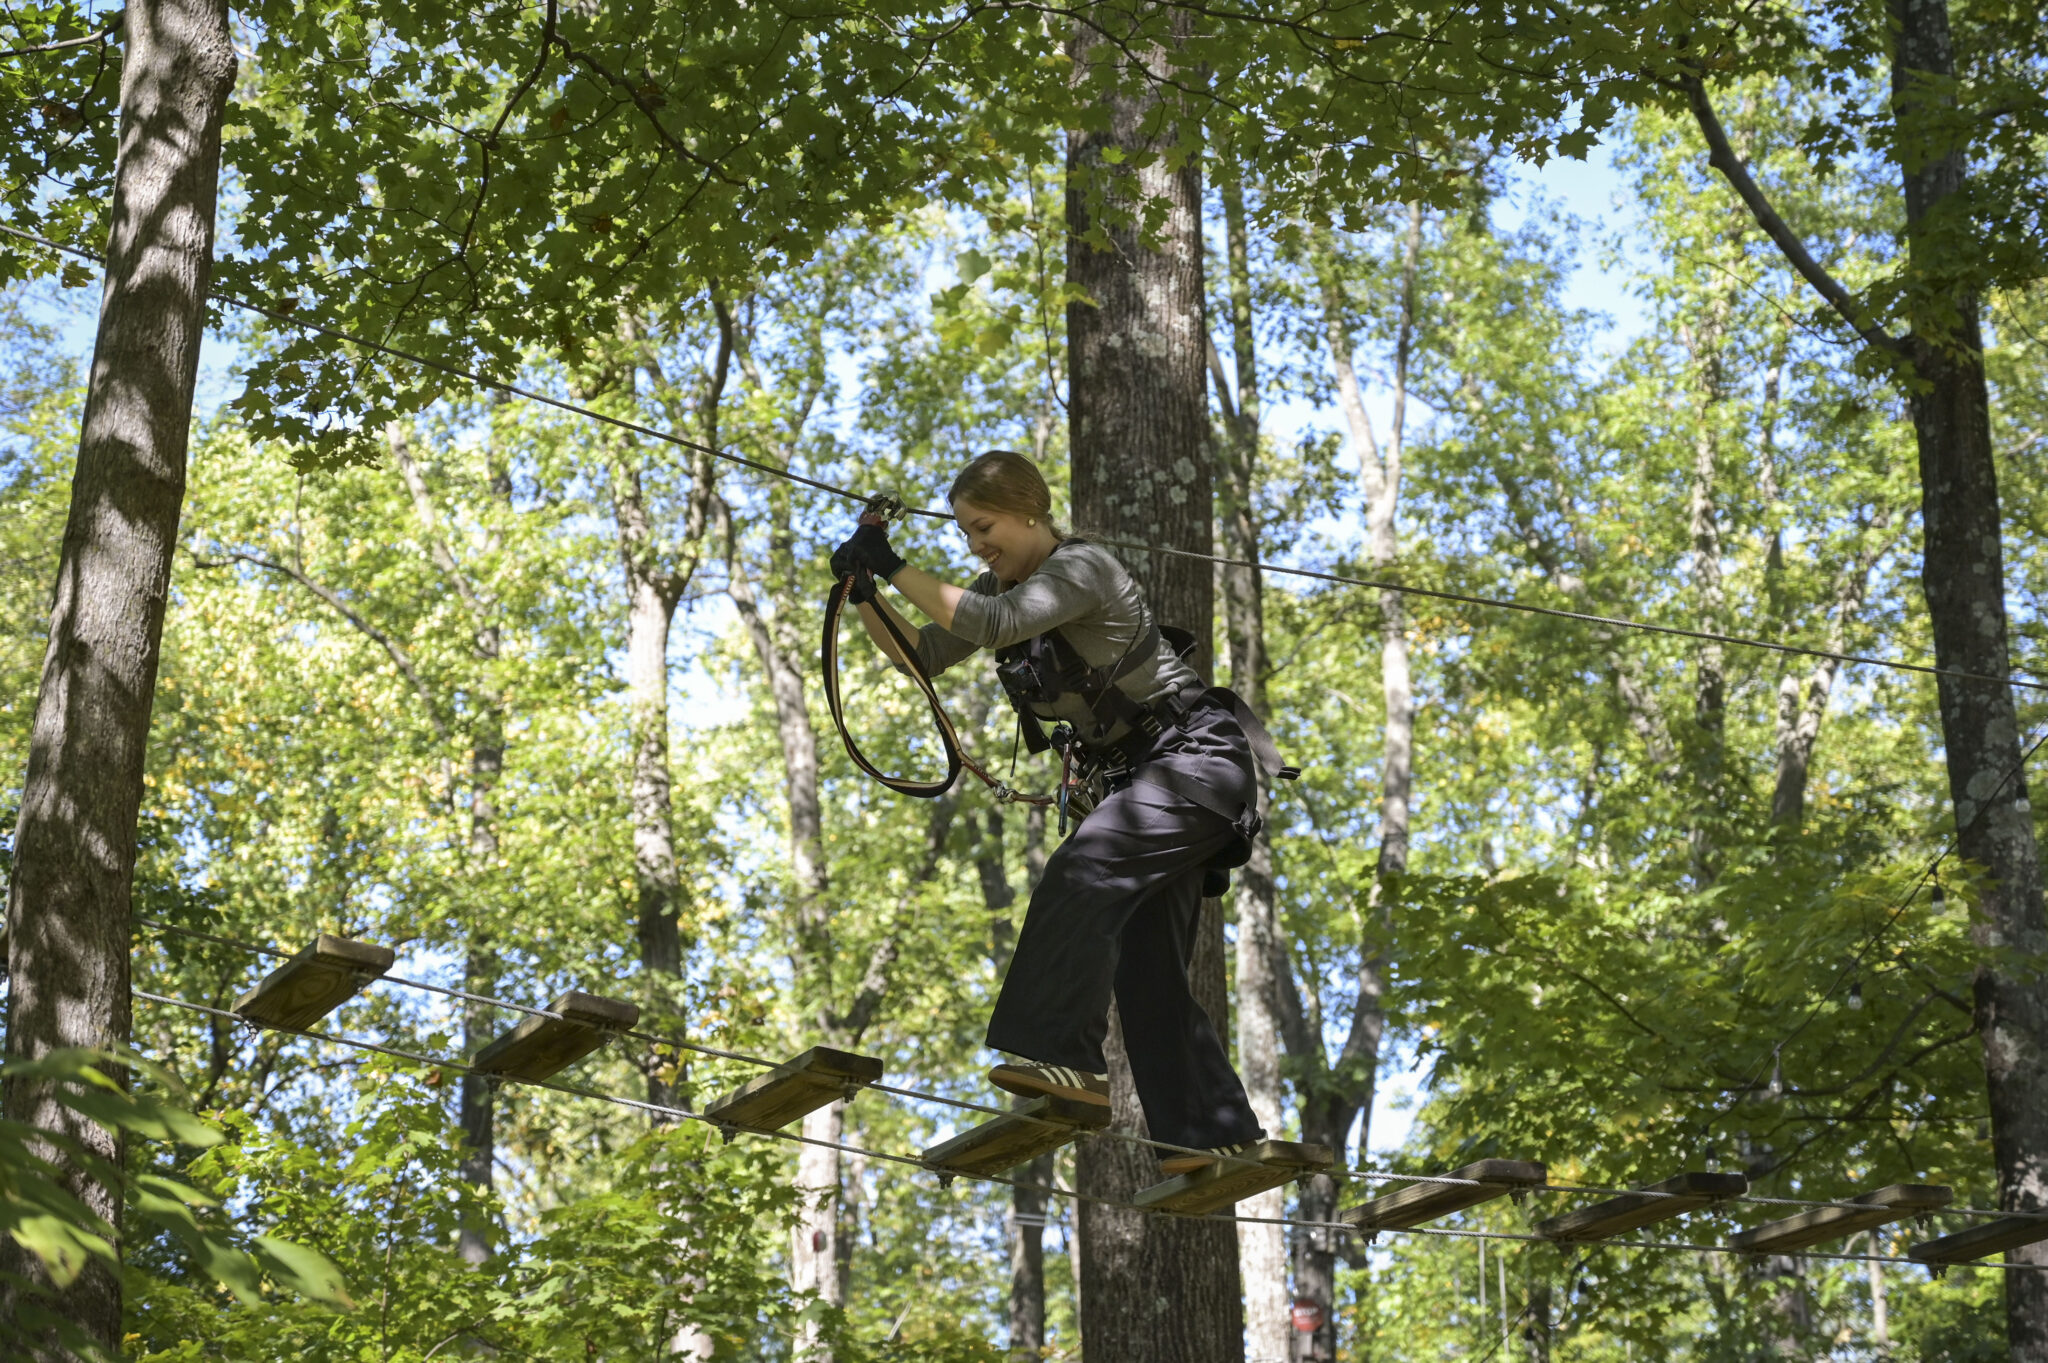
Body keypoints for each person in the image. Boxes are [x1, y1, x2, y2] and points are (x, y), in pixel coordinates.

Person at [830, 449, 1278, 1175]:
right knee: (1145, 965)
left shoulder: (1082, 569)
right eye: (968, 535)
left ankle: (1064, 1062)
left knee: (1084, 869)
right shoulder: (995, 589)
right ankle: (1212, 1135)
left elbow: (995, 621)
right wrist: (866, 595)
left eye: (985, 528)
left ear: (1030, 511)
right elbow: (926, 653)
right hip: (1144, 782)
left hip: (1195, 761)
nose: (977, 546)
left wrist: (892, 562)